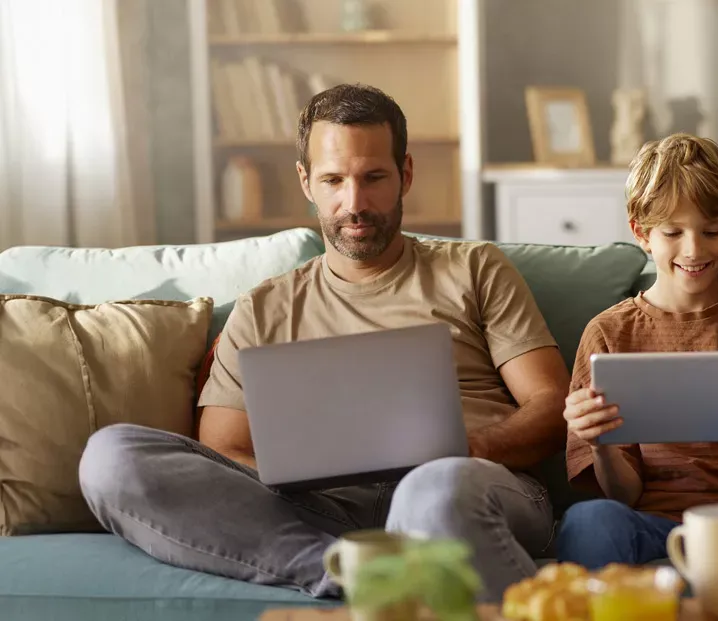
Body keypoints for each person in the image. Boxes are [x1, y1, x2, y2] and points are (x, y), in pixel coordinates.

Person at [77, 84, 572, 603]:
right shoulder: (263, 308)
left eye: (373, 178)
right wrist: (302, 471)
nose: (353, 204)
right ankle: (352, 573)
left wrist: (472, 449)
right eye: (333, 180)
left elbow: (551, 403)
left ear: (405, 173)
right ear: (305, 181)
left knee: (435, 491)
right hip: (323, 513)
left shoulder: (475, 269)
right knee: (112, 457)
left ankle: (393, 566)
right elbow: (224, 449)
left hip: (469, 488)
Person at [554, 134, 718, 568]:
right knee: (589, 520)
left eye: (711, 231)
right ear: (642, 233)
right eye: (673, 232)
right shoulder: (609, 334)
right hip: (644, 520)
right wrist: (601, 446)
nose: (693, 250)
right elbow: (623, 496)